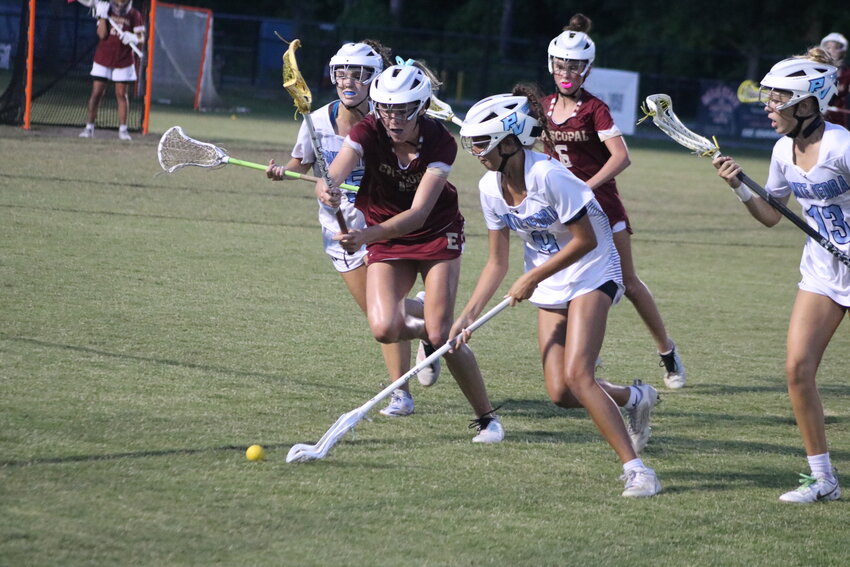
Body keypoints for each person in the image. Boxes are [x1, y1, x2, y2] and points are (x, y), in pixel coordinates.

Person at [451, 88, 661, 496]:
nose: (475, 150)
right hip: (550, 280)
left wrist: (532, 278)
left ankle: (638, 471)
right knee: (562, 393)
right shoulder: (489, 189)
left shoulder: (549, 176)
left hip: (594, 269)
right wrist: (468, 315)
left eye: (481, 142)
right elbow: (497, 261)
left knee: (580, 376)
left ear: (510, 143)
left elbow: (584, 240)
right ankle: (634, 397)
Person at [314, 60, 504, 442]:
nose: (392, 119)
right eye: (385, 109)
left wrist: (365, 237)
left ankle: (487, 418)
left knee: (444, 337)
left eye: (401, 111)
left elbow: (418, 215)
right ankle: (433, 332)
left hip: (435, 233)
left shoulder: (441, 141)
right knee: (384, 328)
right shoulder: (369, 129)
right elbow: (333, 172)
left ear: (419, 108)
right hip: (387, 236)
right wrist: (327, 186)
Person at [267, 42, 436, 418]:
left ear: (374, 79)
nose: (349, 81)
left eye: (358, 74)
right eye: (342, 73)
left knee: (386, 314)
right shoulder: (318, 120)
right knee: (378, 316)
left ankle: (400, 394)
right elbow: (303, 163)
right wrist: (285, 171)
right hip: (338, 234)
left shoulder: (387, 123)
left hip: (380, 229)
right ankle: (427, 323)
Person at [713, 49, 846, 503]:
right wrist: (738, 187)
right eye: (768, 99)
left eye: (778, 100)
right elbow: (772, 215)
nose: (769, 108)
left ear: (808, 105)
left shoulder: (841, 147)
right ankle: (823, 479)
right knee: (797, 368)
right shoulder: (780, 150)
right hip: (823, 273)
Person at [542, 14, 686, 389]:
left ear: (586, 69)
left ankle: (667, 350)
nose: (566, 71)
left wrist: (585, 188)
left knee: (629, 282)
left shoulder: (594, 109)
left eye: (574, 66)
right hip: (565, 215)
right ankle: (585, 346)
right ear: (551, 64)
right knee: (569, 283)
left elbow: (621, 157)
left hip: (602, 207)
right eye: (561, 64)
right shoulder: (542, 108)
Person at [79, 0, 145, 141]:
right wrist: (102, 16)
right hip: (103, 57)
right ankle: (89, 128)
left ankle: (123, 130)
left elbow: (142, 37)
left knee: (121, 94)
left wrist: (132, 37)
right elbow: (102, 35)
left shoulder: (134, 14)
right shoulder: (106, 9)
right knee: (97, 93)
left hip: (124, 59)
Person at [820, 33, 850, 129]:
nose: (831, 51)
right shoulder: (817, 70)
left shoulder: (847, 74)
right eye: (828, 47)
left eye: (835, 48)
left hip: (841, 120)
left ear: (843, 51)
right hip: (819, 118)